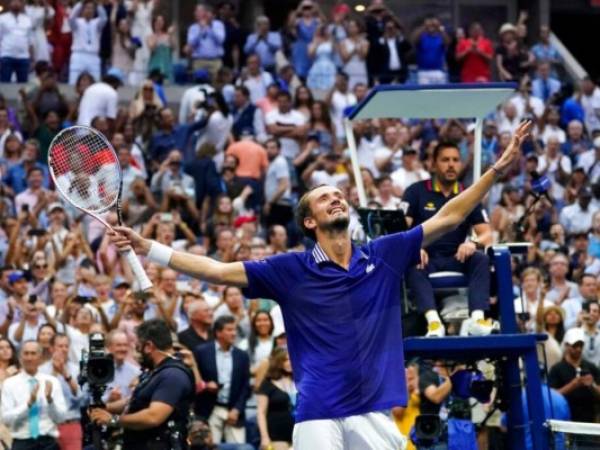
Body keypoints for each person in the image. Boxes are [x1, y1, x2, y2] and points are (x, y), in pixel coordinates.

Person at [108, 122, 532, 449]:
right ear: (309, 221)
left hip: (372, 409)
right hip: (318, 411)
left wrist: (496, 170)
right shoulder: (290, 270)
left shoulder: (383, 255)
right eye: (325, 197)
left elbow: (449, 216)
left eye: (339, 195)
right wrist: (150, 248)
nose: (337, 198)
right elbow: (218, 271)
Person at [403, 141, 494, 337]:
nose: (451, 165)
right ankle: (434, 323)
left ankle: (477, 319)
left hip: (457, 257)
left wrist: (473, 243)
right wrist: (413, 247)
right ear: (433, 164)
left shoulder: (467, 194)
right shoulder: (416, 191)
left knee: (481, 259)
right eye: (445, 160)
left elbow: (488, 234)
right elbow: (401, 229)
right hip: (427, 257)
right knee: (412, 262)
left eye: (455, 160)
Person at [89, 319, 194, 450]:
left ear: (149, 346)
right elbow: (134, 400)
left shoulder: (173, 375)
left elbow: (153, 417)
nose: (136, 352)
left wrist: (113, 420)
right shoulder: (155, 371)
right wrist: (105, 408)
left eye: (138, 346)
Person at [192, 315, 251, 445]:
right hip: (209, 409)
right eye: (229, 330)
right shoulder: (201, 351)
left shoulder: (242, 356)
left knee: (240, 448)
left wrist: (237, 409)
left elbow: (245, 386)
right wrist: (206, 385)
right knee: (209, 446)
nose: (234, 333)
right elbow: (194, 378)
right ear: (218, 333)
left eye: (235, 329)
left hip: (234, 411)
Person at [1, 340, 67, 449]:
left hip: (48, 442)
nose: (29, 358)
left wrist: (50, 401)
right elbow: (6, 419)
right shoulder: (10, 384)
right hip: (21, 442)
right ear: (20, 357)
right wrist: (28, 404)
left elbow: (61, 418)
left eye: (33, 353)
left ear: (40, 358)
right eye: (26, 353)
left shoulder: (52, 382)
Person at [39, 333, 84, 450]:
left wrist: (64, 373)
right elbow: (42, 398)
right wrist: (54, 371)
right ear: (51, 348)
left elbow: (81, 397)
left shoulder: (76, 369)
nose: (64, 349)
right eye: (60, 346)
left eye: (66, 346)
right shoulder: (41, 370)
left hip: (70, 424)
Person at [548, 327, 600, 423]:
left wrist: (592, 385)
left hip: (589, 419)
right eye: (575, 346)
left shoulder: (591, 367)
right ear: (567, 345)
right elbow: (552, 397)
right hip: (566, 419)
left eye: (581, 345)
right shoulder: (557, 369)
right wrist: (573, 385)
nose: (578, 349)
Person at [257, 347, 296, 450]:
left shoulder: (300, 381)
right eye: (286, 360)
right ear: (278, 362)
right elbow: (261, 412)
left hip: (299, 434)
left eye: (292, 358)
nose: (290, 362)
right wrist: (265, 437)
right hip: (276, 437)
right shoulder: (267, 384)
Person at [68, 0, 107, 84]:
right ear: (82, 10)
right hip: (79, 55)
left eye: (92, 8)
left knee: (95, 82)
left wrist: (98, 4)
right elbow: (71, 17)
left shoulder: (97, 23)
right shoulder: (77, 23)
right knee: (74, 81)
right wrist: (81, 3)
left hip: (93, 56)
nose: (89, 10)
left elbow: (104, 18)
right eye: (87, 8)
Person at [0, 0, 34, 83]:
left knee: (22, 85)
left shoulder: (27, 20)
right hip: (6, 55)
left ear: (22, 4)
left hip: (23, 57)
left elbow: (30, 41)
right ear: (9, 3)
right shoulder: (2, 19)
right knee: (4, 84)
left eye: (18, 1)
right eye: (13, 1)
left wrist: (32, 59)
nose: (16, 3)